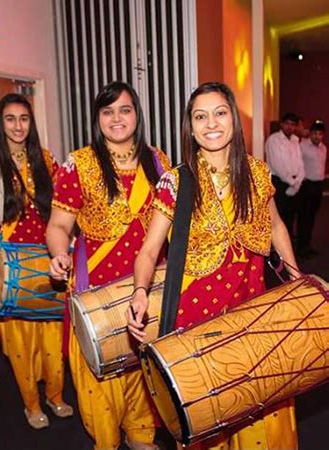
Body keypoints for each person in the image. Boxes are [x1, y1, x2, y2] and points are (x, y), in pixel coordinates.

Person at [127, 82, 300, 450]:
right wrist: (140, 291)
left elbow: (276, 226)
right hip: (198, 320)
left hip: (252, 311)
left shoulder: (256, 173)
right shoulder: (175, 182)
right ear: (190, 127)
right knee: (209, 418)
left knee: (260, 415)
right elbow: (148, 251)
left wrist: (296, 277)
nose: (211, 124)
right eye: (200, 116)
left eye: (220, 113)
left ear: (234, 121)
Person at [47, 81, 171, 450]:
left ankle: (141, 432)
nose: (117, 118)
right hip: (97, 286)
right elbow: (58, 225)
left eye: (125, 109)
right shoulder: (79, 164)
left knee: (144, 361)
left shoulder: (157, 160)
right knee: (100, 375)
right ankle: (107, 439)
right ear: (97, 117)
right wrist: (58, 253)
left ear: (137, 115)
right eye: (108, 111)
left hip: (147, 280)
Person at [0, 93, 72, 429]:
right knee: (20, 345)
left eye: (24, 118)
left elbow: (66, 206)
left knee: (53, 339)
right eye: (10, 118)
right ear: (0, 123)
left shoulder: (47, 160)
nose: (18, 126)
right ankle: (31, 404)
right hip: (10, 266)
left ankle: (55, 395)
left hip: (48, 258)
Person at [265, 112, 305, 238]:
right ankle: (278, 254)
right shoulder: (273, 140)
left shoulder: (295, 140)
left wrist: (298, 181)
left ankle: (290, 249)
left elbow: (300, 162)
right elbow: (278, 166)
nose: (290, 127)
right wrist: (293, 183)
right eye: (287, 124)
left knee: (291, 216)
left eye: (293, 125)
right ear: (281, 124)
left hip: (295, 182)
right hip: (280, 183)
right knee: (279, 220)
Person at [297, 119, 327, 258]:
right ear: (310, 133)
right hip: (306, 185)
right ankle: (301, 248)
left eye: (320, 134)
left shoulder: (323, 148)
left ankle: (307, 245)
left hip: (318, 186)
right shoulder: (302, 146)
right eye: (315, 133)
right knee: (304, 217)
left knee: (312, 217)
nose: (317, 136)